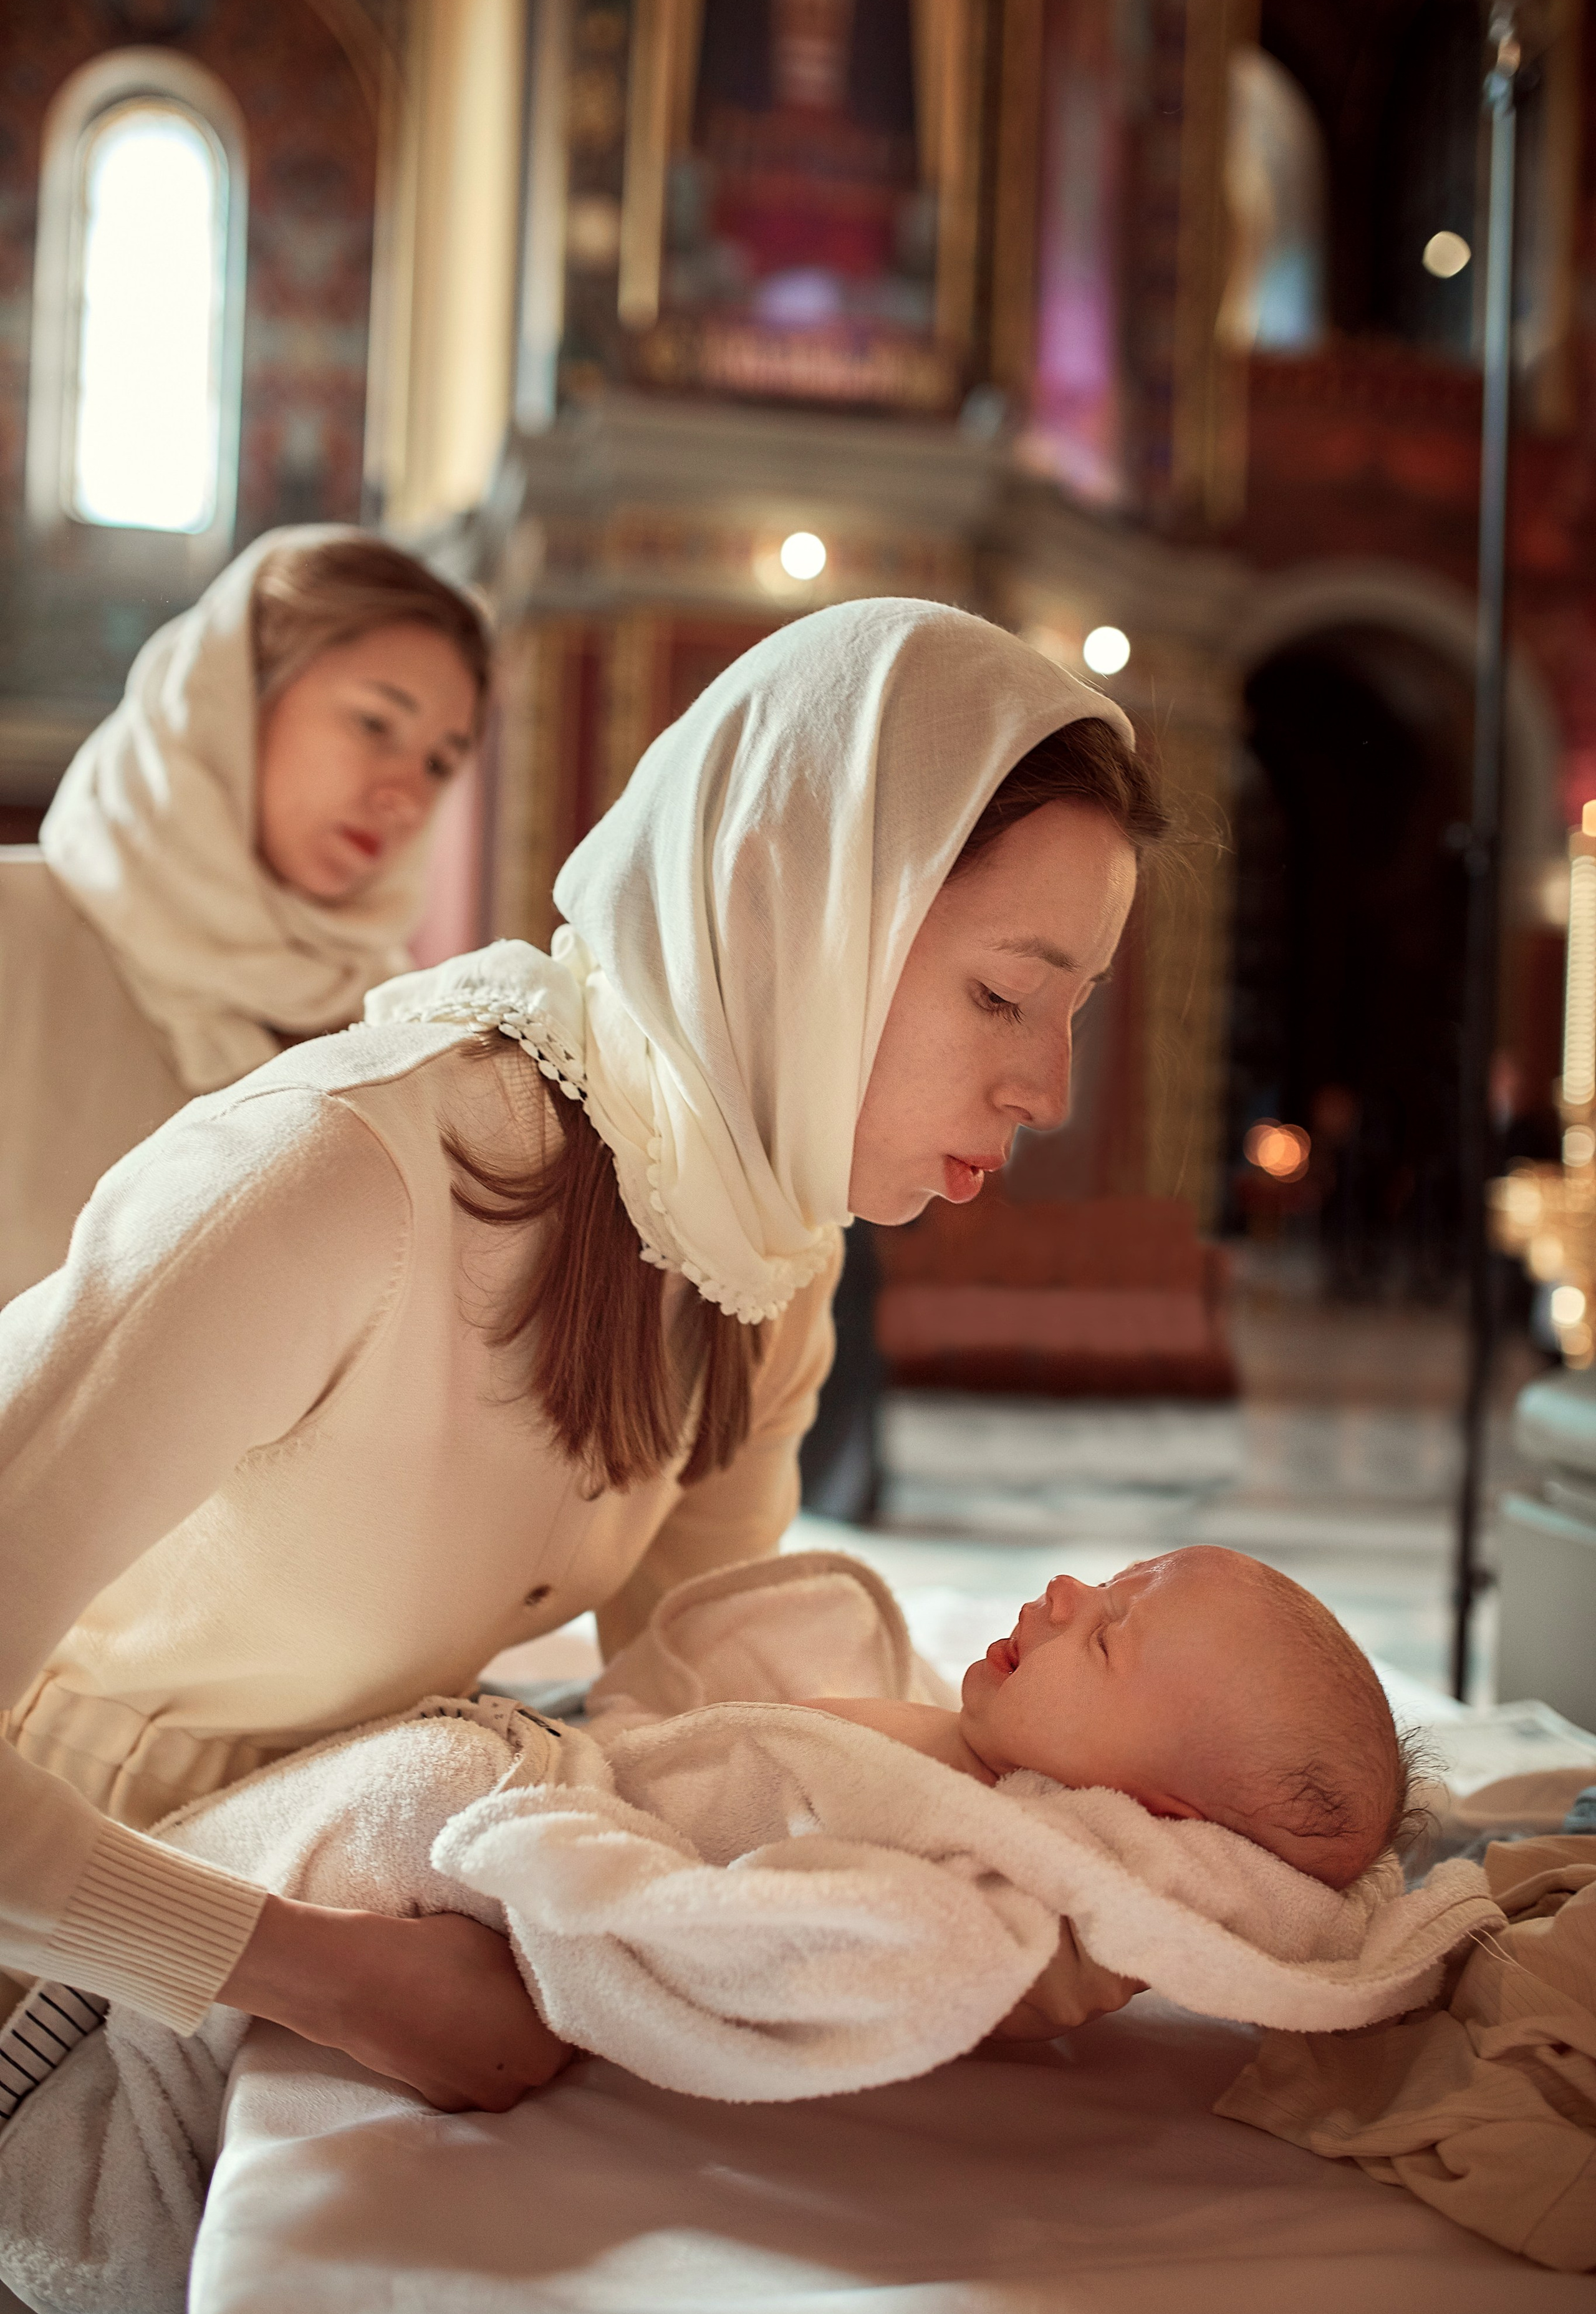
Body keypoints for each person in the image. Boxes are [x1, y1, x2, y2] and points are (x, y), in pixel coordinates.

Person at [0, 598, 1166, 2113]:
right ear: (779, 911)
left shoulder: (761, 1255)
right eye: (1001, 995)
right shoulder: (336, 1176)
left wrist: (1007, 1864)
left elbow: (696, 1709)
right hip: (70, 1923)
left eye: (1071, 1013)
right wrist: (333, 1977)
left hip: (328, 1888)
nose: (1045, 1091)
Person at [0, 527, 489, 1306]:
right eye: (375, 723)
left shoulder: (395, 1029)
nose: (406, 794)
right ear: (233, 698)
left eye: (439, 761)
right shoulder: (17, 931)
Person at [805, 1546, 1411, 1890]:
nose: (1063, 1587)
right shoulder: (981, 1757)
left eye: (1103, 1640)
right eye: (1105, 1584)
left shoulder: (995, 1869)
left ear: (1149, 1818)